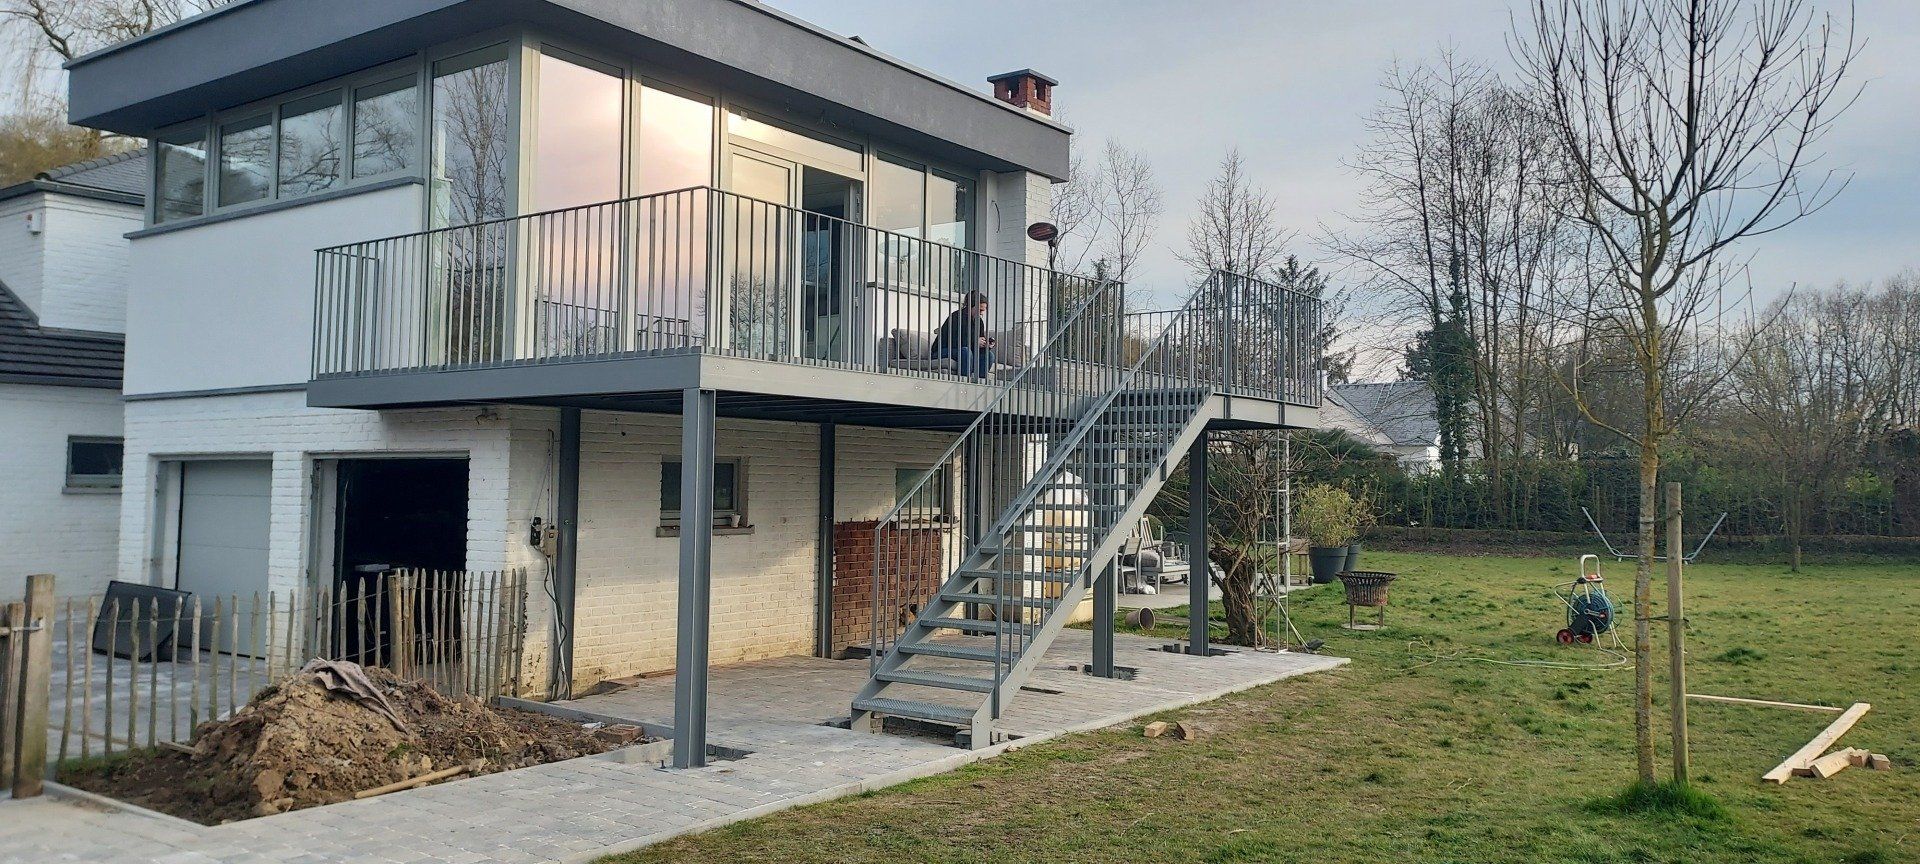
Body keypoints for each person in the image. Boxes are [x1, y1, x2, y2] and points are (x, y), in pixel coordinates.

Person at [931, 291, 996, 378]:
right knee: (965, 351)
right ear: (971, 306)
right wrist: (975, 342)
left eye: (983, 310)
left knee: (989, 355)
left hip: (965, 350)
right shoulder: (956, 317)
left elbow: (977, 344)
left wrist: (986, 345)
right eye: (980, 310)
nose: (981, 313)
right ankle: (965, 382)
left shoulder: (979, 321)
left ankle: (980, 382)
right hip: (943, 350)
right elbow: (955, 343)